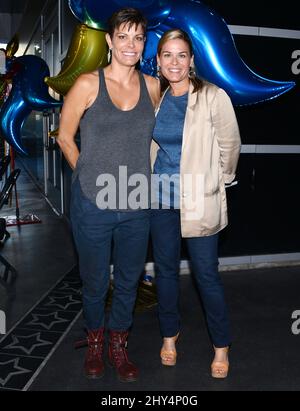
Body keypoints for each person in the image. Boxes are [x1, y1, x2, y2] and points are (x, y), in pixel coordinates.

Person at [57, 8, 160, 382]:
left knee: (130, 280)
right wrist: (88, 173)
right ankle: (96, 341)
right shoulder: (87, 83)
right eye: (124, 37)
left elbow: (153, 142)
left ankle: (120, 344)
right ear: (110, 41)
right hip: (93, 202)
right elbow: (65, 137)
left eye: (138, 38)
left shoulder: (152, 86)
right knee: (96, 282)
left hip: (135, 201)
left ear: (143, 43)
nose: (130, 44)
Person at [150, 28, 241, 378]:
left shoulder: (213, 96)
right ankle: (169, 336)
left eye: (181, 55)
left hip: (199, 201)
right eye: (167, 55)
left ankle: (221, 346)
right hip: (160, 200)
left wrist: (218, 182)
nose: (174, 62)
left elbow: (230, 146)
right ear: (158, 61)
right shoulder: (155, 97)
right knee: (166, 273)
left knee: (206, 276)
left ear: (191, 61)